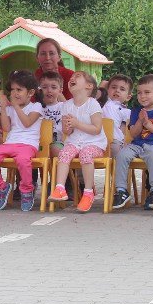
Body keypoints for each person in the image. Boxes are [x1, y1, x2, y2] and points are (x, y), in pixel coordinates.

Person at [112, 74, 153, 211]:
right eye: (139, 93)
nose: (142, 96)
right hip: (138, 145)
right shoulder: (135, 112)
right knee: (122, 154)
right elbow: (133, 134)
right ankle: (122, 191)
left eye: (147, 92)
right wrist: (140, 121)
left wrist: (148, 124)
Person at [0, 70, 43, 212]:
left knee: (23, 160)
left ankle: (27, 191)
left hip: (28, 145)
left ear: (30, 92)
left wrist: (14, 106)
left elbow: (27, 122)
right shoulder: (10, 108)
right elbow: (6, 127)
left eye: (19, 90)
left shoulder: (36, 107)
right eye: (13, 90)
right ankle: (1, 188)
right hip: (10, 143)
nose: (15, 93)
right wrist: (3, 107)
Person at [48, 71, 107, 213]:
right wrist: (67, 127)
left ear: (89, 86)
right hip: (74, 142)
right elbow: (66, 132)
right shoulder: (66, 105)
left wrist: (76, 123)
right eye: (72, 77)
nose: (72, 78)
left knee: (85, 154)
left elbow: (97, 129)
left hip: (94, 143)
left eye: (78, 76)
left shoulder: (93, 104)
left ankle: (88, 192)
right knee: (64, 153)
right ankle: (60, 188)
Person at [101, 74, 133, 157]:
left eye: (122, 89)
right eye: (113, 87)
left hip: (115, 141)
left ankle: (117, 170)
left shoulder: (127, 111)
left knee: (119, 151)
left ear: (128, 97)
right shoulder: (104, 102)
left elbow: (124, 129)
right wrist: (103, 87)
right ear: (107, 90)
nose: (117, 90)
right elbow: (99, 90)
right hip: (98, 139)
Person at [38, 70, 67, 158]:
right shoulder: (36, 108)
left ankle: (63, 172)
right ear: (39, 89)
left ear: (60, 90)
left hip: (59, 142)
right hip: (40, 142)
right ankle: (43, 171)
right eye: (45, 87)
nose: (49, 90)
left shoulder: (64, 107)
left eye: (53, 87)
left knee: (55, 149)